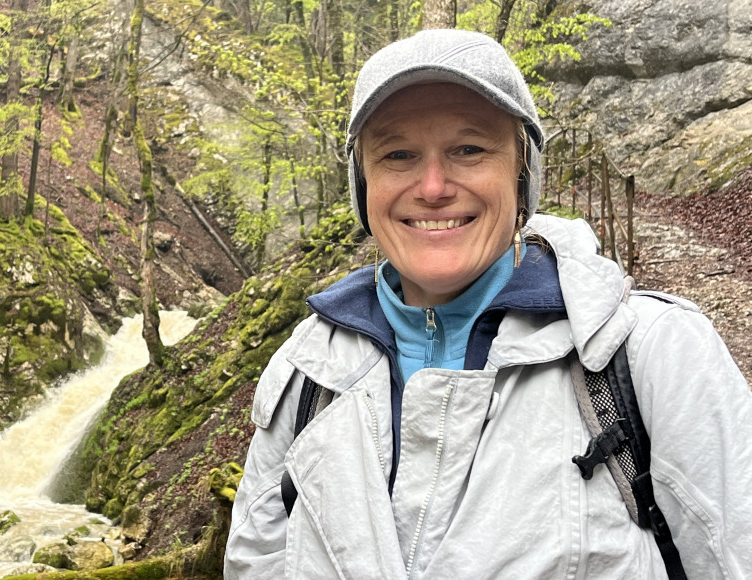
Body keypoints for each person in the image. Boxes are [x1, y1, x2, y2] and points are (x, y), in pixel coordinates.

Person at [224, 28, 752, 579]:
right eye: (397, 154)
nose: (432, 187)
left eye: (469, 148)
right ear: (364, 186)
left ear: (522, 174)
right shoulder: (306, 371)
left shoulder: (651, 353)